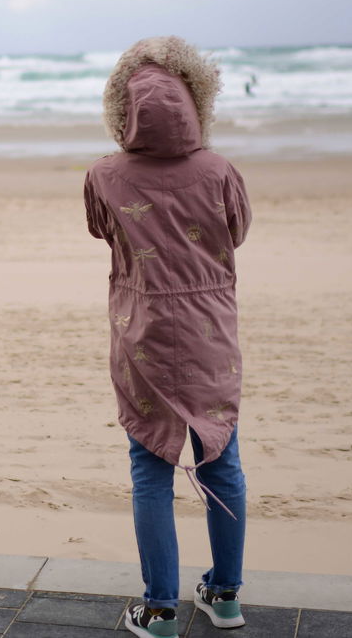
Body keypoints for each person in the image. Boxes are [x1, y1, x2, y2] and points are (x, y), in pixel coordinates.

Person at [82, 36, 252, 634]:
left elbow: (103, 231)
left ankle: (159, 610)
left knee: (149, 463)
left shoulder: (105, 175)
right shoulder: (219, 171)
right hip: (209, 331)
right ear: (196, 97)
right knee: (221, 456)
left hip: (143, 331)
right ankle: (224, 596)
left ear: (120, 108)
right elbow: (238, 230)